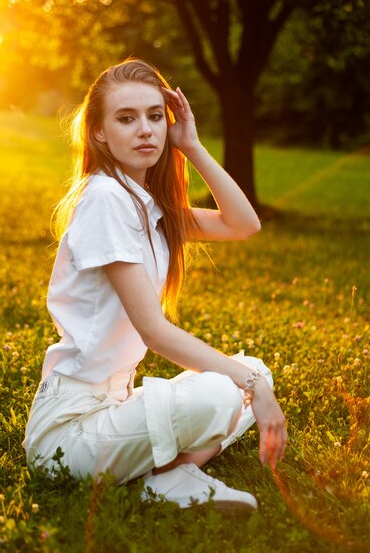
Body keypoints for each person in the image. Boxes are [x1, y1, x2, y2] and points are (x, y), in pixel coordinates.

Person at [23, 58, 287, 514]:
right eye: (126, 119)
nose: (145, 129)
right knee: (235, 387)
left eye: (154, 116)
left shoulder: (148, 207)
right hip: (68, 434)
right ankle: (167, 475)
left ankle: (167, 476)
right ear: (99, 132)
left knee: (250, 372)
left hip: (115, 407)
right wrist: (252, 386)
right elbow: (154, 331)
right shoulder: (105, 198)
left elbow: (244, 224)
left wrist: (192, 146)